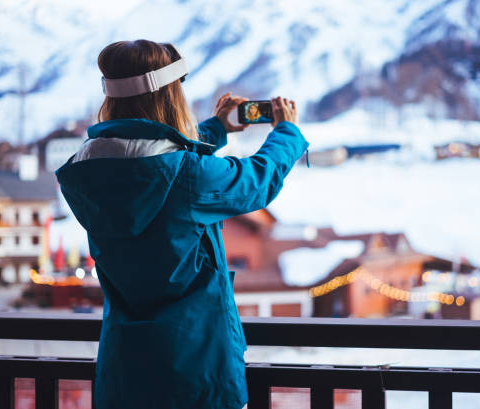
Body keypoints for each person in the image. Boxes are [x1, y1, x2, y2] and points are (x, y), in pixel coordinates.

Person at [55, 39, 308, 409]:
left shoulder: (89, 171)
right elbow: (257, 179)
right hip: (196, 374)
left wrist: (216, 130)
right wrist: (286, 132)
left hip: (123, 374)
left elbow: (149, 158)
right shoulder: (189, 177)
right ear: (169, 97)